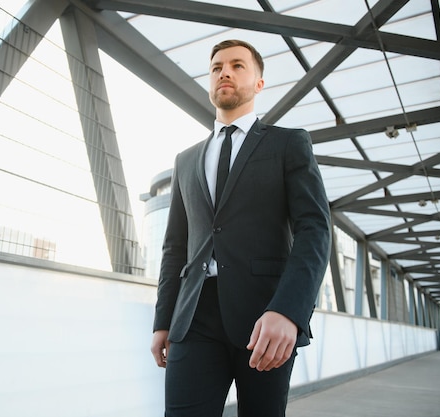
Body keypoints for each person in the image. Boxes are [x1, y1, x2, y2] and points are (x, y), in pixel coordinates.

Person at [150, 39, 331, 417]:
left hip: (266, 316)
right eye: (216, 67)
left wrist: (290, 311)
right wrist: (163, 321)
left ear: (259, 83)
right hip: (193, 317)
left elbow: (315, 229)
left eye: (237, 65)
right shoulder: (186, 160)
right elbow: (175, 247)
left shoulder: (289, 144)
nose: (224, 72)